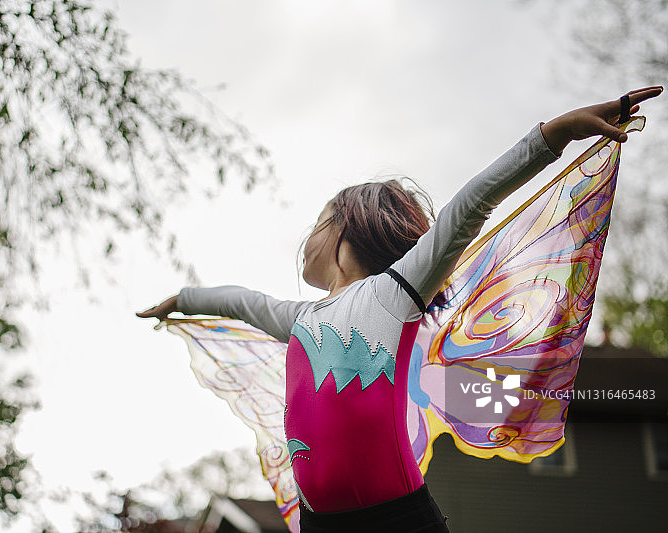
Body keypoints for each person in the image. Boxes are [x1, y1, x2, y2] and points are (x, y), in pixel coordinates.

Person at [137, 87, 662, 533]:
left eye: (318, 222)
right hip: (321, 525)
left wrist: (555, 134)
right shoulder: (298, 321)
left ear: (345, 228)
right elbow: (239, 302)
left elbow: (472, 204)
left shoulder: (393, 293)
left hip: (397, 521)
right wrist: (182, 300)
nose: (307, 237)